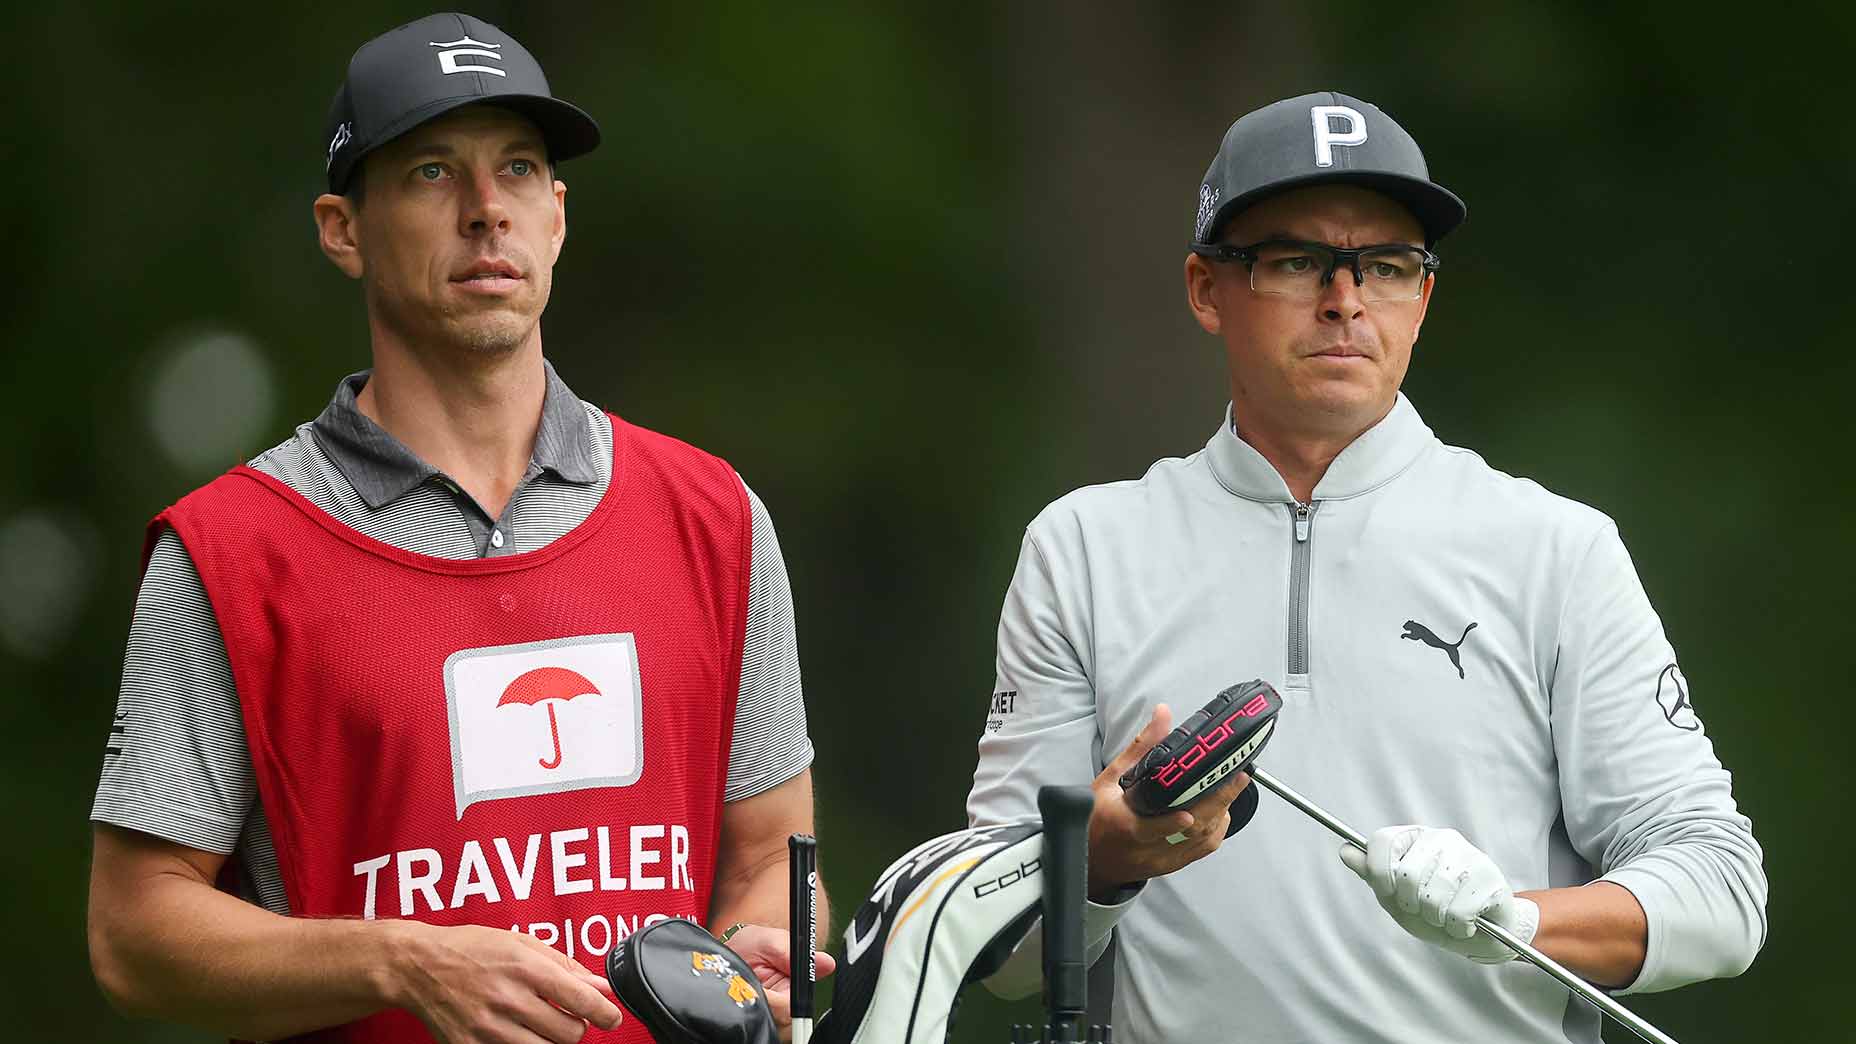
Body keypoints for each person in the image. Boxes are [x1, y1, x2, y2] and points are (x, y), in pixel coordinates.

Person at [86, 13, 830, 1043]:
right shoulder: (233, 551)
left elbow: (771, 862)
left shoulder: (712, 516)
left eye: (518, 168)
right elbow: (133, 934)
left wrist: (754, 957)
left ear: (556, 216)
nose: (486, 210)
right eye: (432, 173)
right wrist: (401, 957)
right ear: (343, 230)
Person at [966, 91, 1766, 1042]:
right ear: (1206, 289)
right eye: (1294, 261)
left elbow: (1719, 890)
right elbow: (995, 954)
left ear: (1421, 300)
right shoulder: (1084, 549)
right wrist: (1102, 861)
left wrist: (1515, 922)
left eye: (1385, 266)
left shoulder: (1557, 548)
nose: (1344, 299)